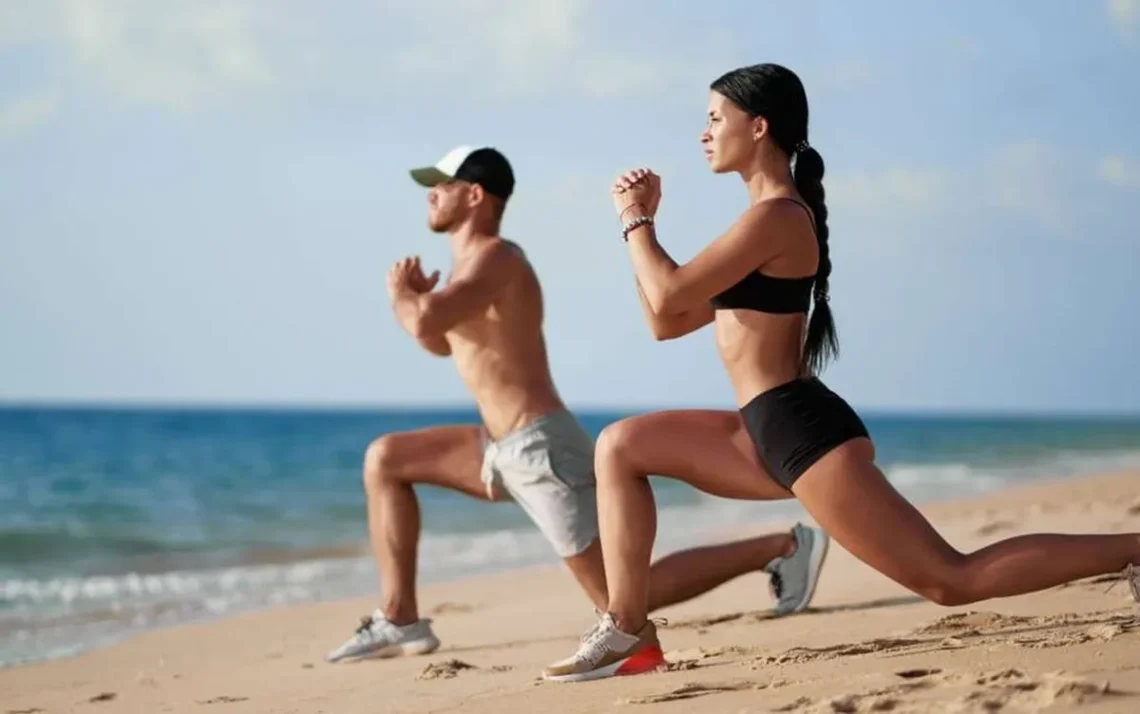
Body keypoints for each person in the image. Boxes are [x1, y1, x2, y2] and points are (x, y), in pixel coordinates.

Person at [541, 62, 1140, 683]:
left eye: (715, 118)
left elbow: (666, 298)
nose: (704, 132)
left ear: (759, 126)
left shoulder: (776, 217)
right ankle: (628, 632)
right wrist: (644, 231)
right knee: (620, 445)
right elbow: (665, 320)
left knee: (950, 579)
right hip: (761, 427)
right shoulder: (760, 220)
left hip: (801, 431)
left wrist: (634, 220)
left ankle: (1134, 550)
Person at [326, 145, 833, 663]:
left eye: (442, 183)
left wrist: (403, 296)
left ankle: (781, 547)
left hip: (539, 448)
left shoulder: (498, 258)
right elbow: (438, 341)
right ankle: (400, 619)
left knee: (622, 595)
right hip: (495, 449)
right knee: (386, 459)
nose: (431, 194)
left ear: (474, 195)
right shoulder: (465, 273)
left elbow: (426, 324)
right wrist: (419, 302)